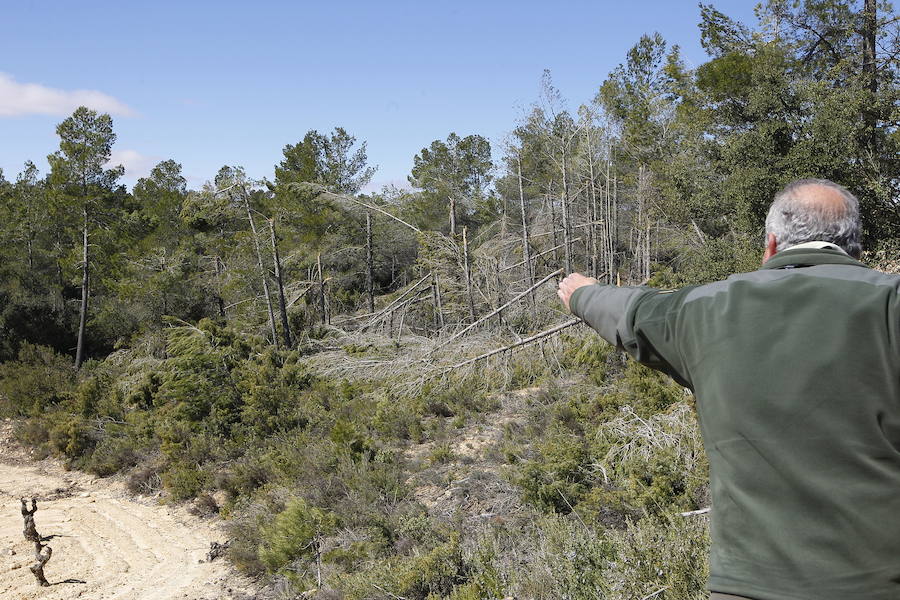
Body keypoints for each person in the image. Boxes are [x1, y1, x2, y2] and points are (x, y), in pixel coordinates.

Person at [557, 179, 900, 600]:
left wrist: (582, 294)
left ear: (771, 244)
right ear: (855, 248)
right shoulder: (891, 303)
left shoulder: (702, 309)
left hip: (748, 588)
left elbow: (630, 310)